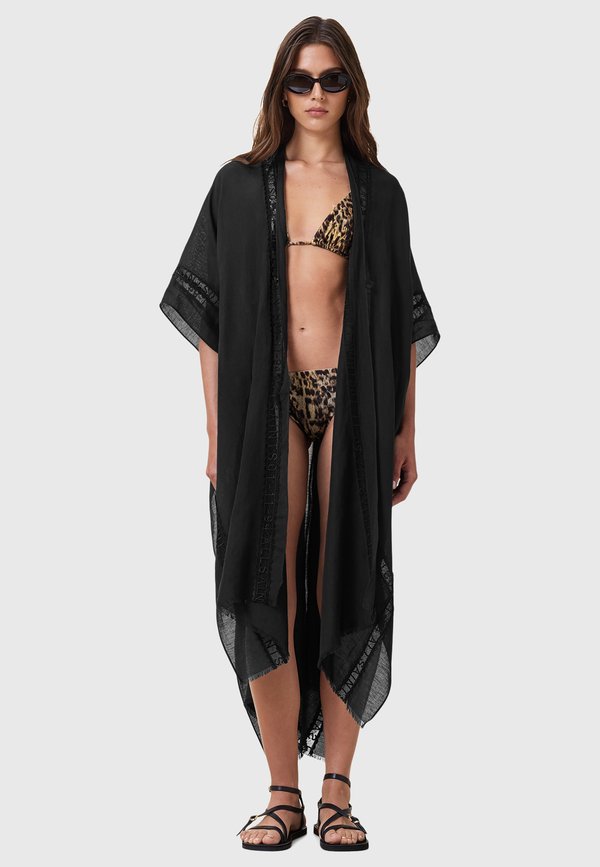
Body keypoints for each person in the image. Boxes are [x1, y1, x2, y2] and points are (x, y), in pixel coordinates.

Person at [159, 15, 441, 852]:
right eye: (301, 79)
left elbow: (400, 323)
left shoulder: (380, 192)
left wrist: (407, 428)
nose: (317, 93)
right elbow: (210, 320)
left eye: (331, 79)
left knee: (345, 577)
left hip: (354, 400)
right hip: (265, 403)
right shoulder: (239, 185)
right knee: (263, 581)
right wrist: (216, 431)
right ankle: (281, 791)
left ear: (352, 88)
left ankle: (338, 793)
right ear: (281, 90)